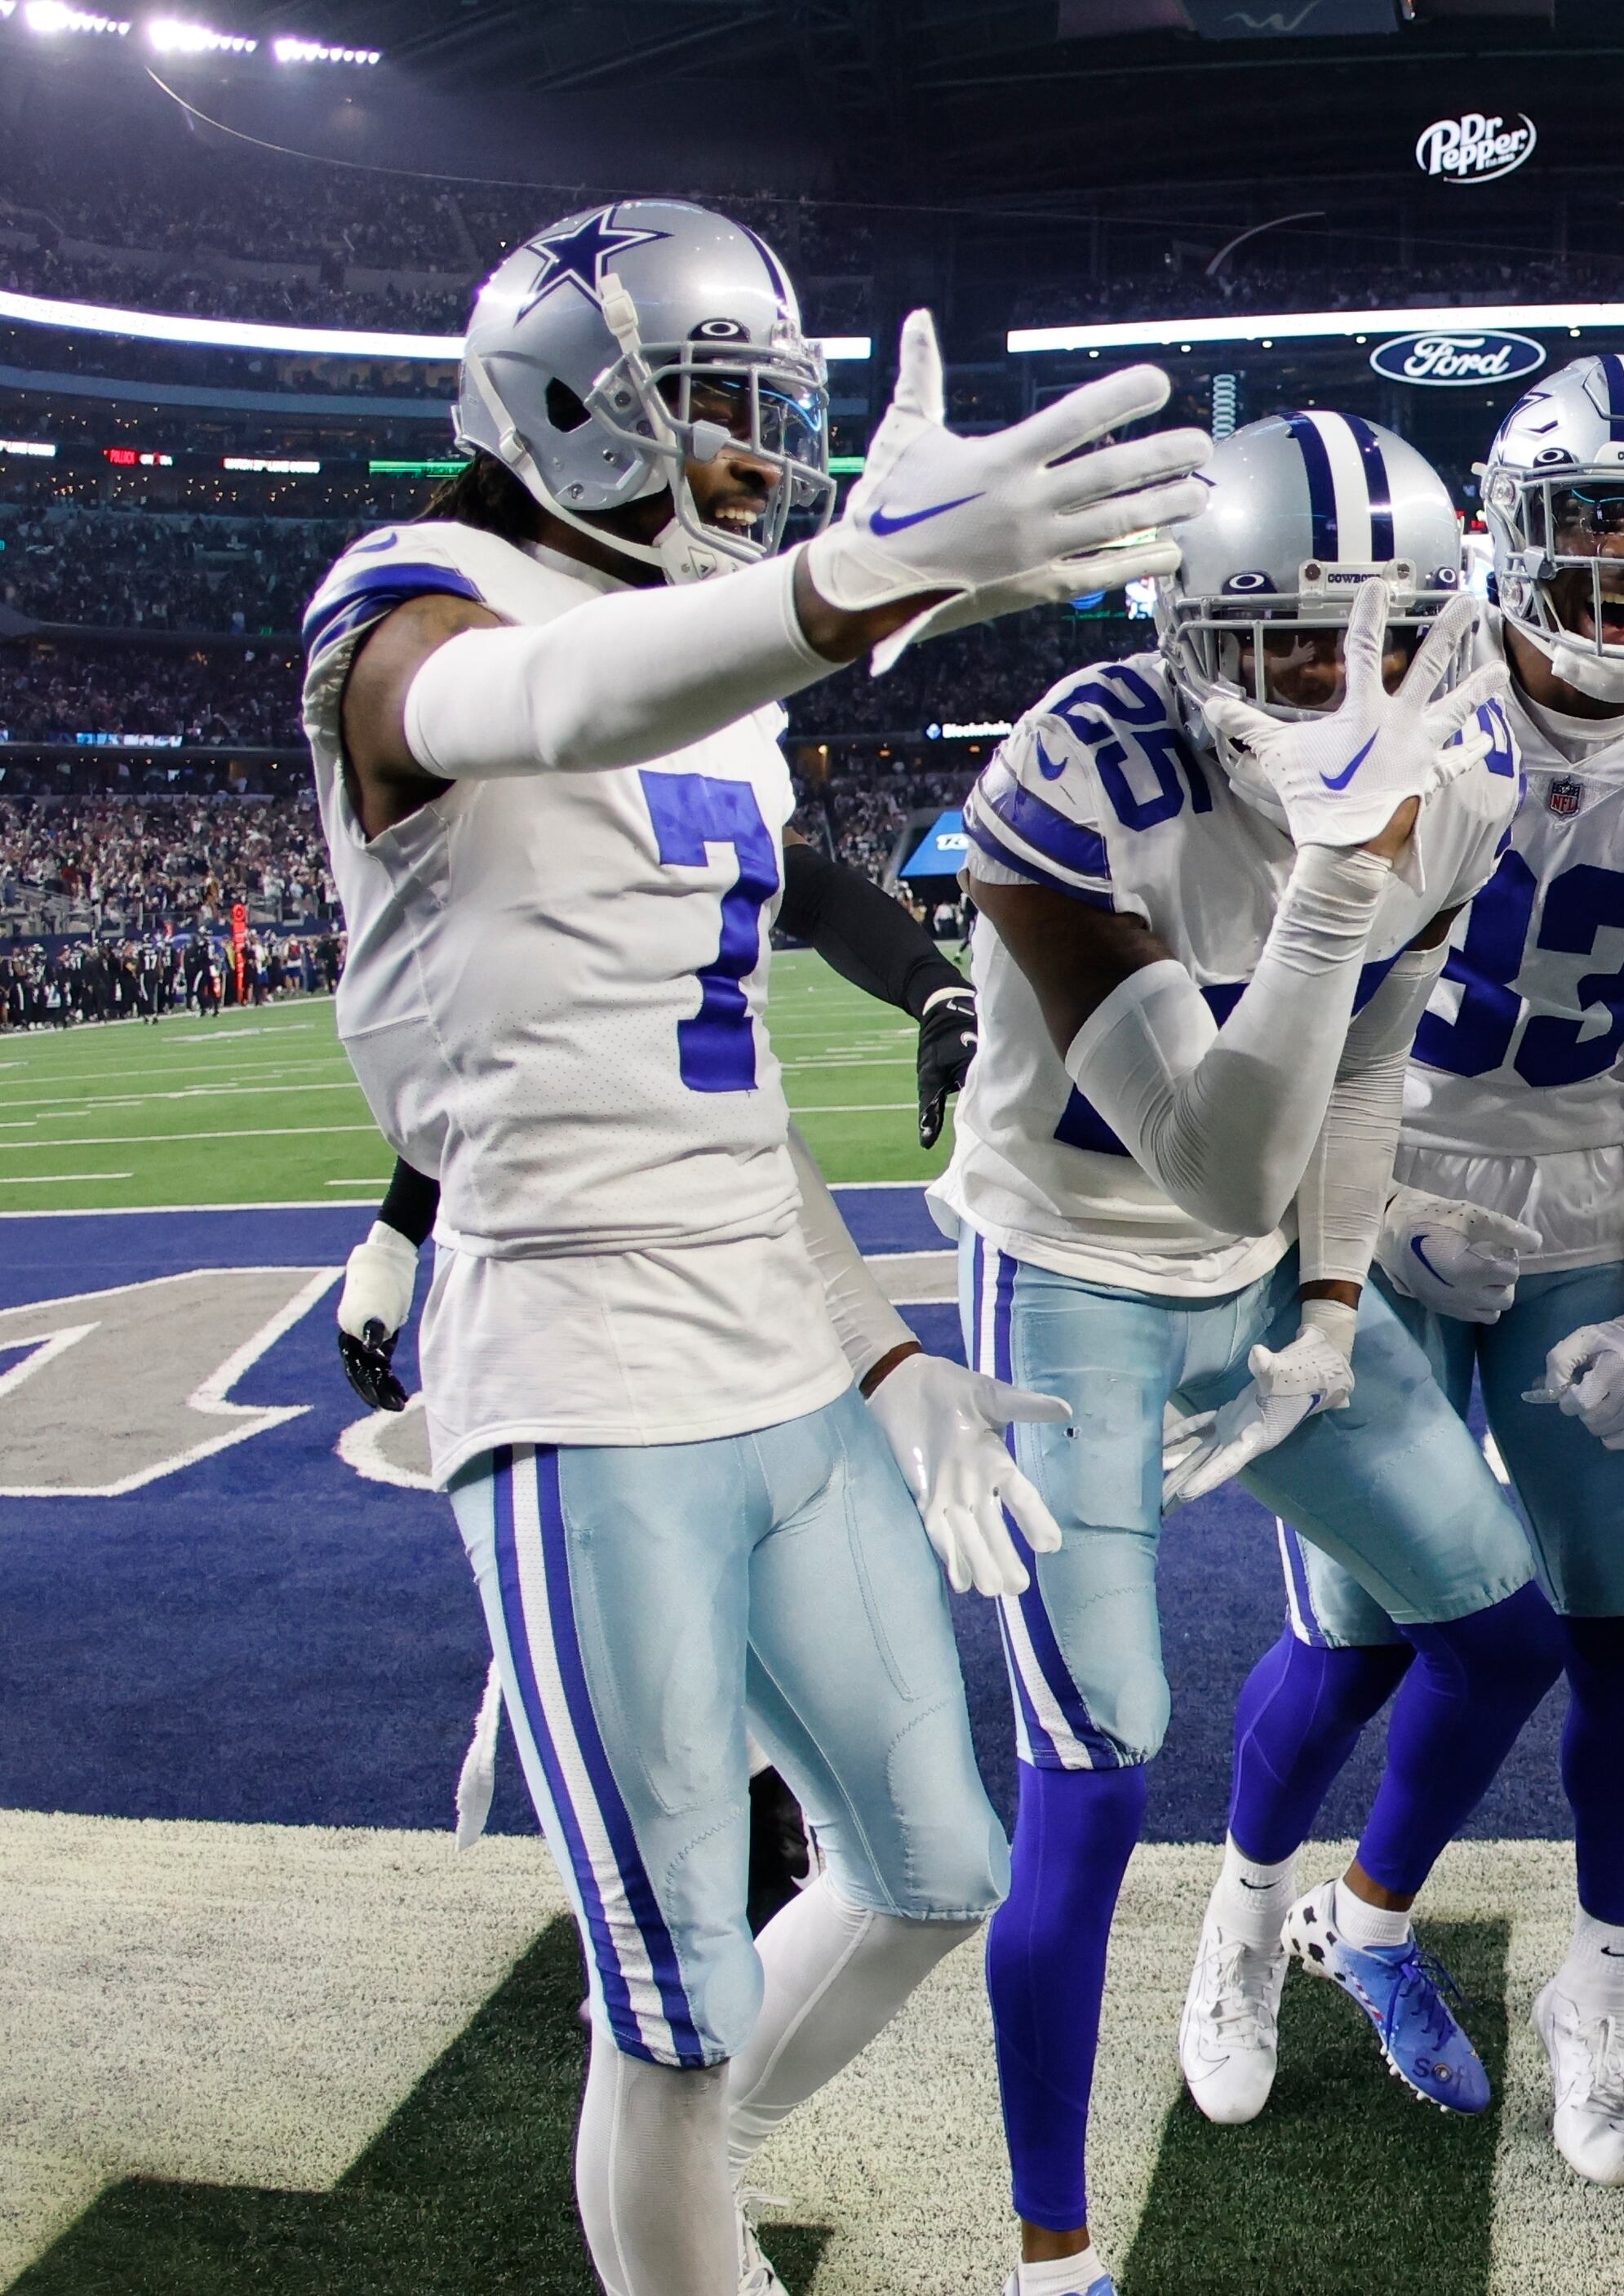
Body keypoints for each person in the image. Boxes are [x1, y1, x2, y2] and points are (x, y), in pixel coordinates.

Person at [304, 202, 1179, 2296]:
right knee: (675, 1996)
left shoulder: (725, 670)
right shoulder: (408, 601)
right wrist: (847, 588)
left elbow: (736, 1094)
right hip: (574, 1359)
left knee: (934, 1862)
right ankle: (678, 2210)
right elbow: (529, 702)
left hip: (777, 1357)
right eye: (714, 406)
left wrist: (882, 1348)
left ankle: (678, 2198)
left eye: (770, 411)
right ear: (572, 400)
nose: (756, 453)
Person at [937, 406, 1561, 2296]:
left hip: (1264, 1275)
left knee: (1503, 1625)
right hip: (1071, 1280)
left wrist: (1336, 1302)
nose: (1343, 684)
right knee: (1095, 1760)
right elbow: (1207, 1155)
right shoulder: (1078, 771)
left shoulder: (1469, 775)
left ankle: (1302, 1911)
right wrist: (1336, 875)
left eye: (1388, 636)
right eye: (1293, 638)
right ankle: (1053, 2255)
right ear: (1192, 629)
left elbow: (1358, 1069)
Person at [1172, 361, 1624, 2194]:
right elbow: (1259, 985)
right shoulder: (1389, 687)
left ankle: (1604, 1997)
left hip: (1585, 1196)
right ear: (1510, 533)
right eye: (1594, 517)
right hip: (1365, 1186)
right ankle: (1249, 1918)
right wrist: (1340, 1224)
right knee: (1360, 1638)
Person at [332, 839, 977, 1416]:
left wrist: (936, 989)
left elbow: (798, 877)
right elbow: (498, 1059)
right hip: (560, 1289)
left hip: (719, 1163)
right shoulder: (515, 817)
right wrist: (391, 1244)